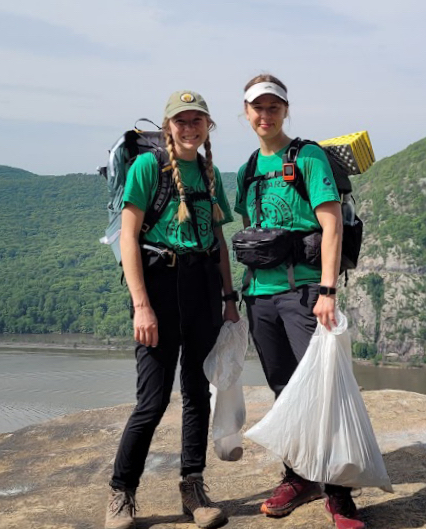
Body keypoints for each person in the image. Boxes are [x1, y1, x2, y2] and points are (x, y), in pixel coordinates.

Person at [234, 74, 366, 529]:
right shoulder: (249, 168)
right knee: (284, 393)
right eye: (257, 108)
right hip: (260, 296)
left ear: (285, 110)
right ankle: (298, 475)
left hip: (305, 292)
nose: (265, 115)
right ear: (246, 113)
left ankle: (339, 493)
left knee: (322, 393)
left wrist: (328, 290)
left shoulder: (307, 157)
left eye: (273, 108)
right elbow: (253, 232)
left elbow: (331, 225)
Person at [105, 90, 239, 529]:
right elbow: (128, 238)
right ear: (167, 127)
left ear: (208, 127)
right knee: (153, 399)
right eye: (180, 121)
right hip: (160, 287)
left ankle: (193, 488)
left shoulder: (209, 170)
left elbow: (217, 239)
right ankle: (122, 493)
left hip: (201, 286)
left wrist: (228, 297)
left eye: (196, 120)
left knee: (198, 393)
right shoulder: (149, 167)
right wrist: (141, 306)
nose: (189, 128)